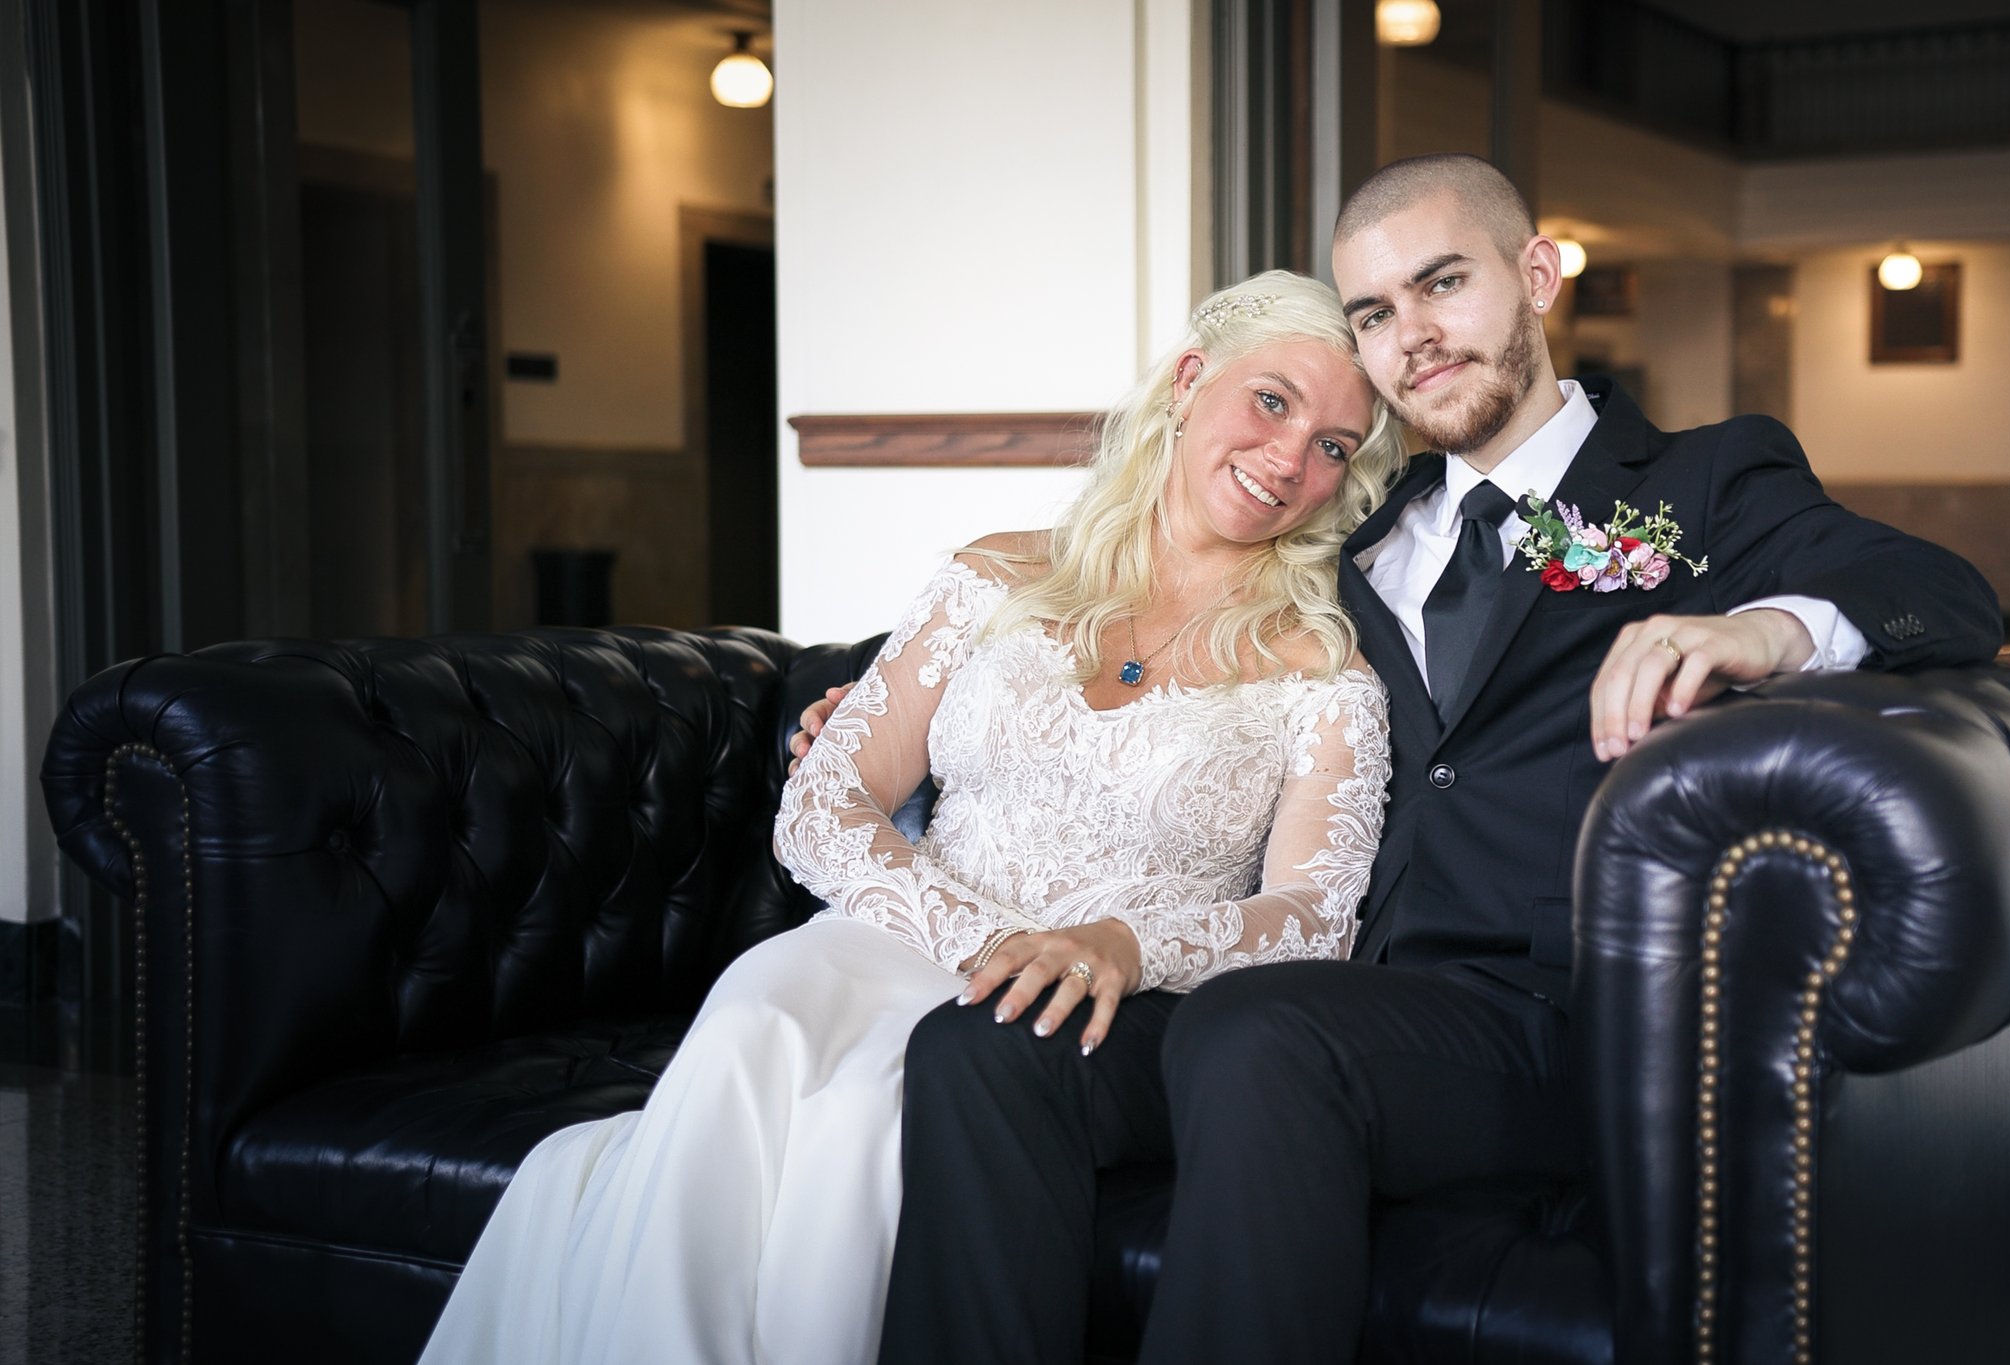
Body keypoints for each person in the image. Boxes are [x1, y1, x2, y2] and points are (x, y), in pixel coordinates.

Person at [834, 154, 2006, 1365]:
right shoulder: (1356, 531)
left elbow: (1941, 592)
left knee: (1259, 1034)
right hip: (1333, 981)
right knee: (990, 1042)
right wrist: (878, 705)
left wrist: (1762, 629)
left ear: (1535, 275)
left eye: (1442, 284)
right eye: (1376, 314)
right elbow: (1152, 632)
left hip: (1548, 1021)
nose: (1414, 338)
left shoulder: (1701, 483)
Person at [413, 269, 1406, 1365]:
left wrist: (1119, 946)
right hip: (902, 937)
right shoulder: (992, 579)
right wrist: (977, 937)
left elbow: (1312, 919)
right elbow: (823, 806)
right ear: (1187, 381)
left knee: (855, 1130)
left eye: (1333, 447)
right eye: (1272, 402)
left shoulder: (1324, 672)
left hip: (1083, 1005)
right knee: (757, 1017)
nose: (1291, 459)